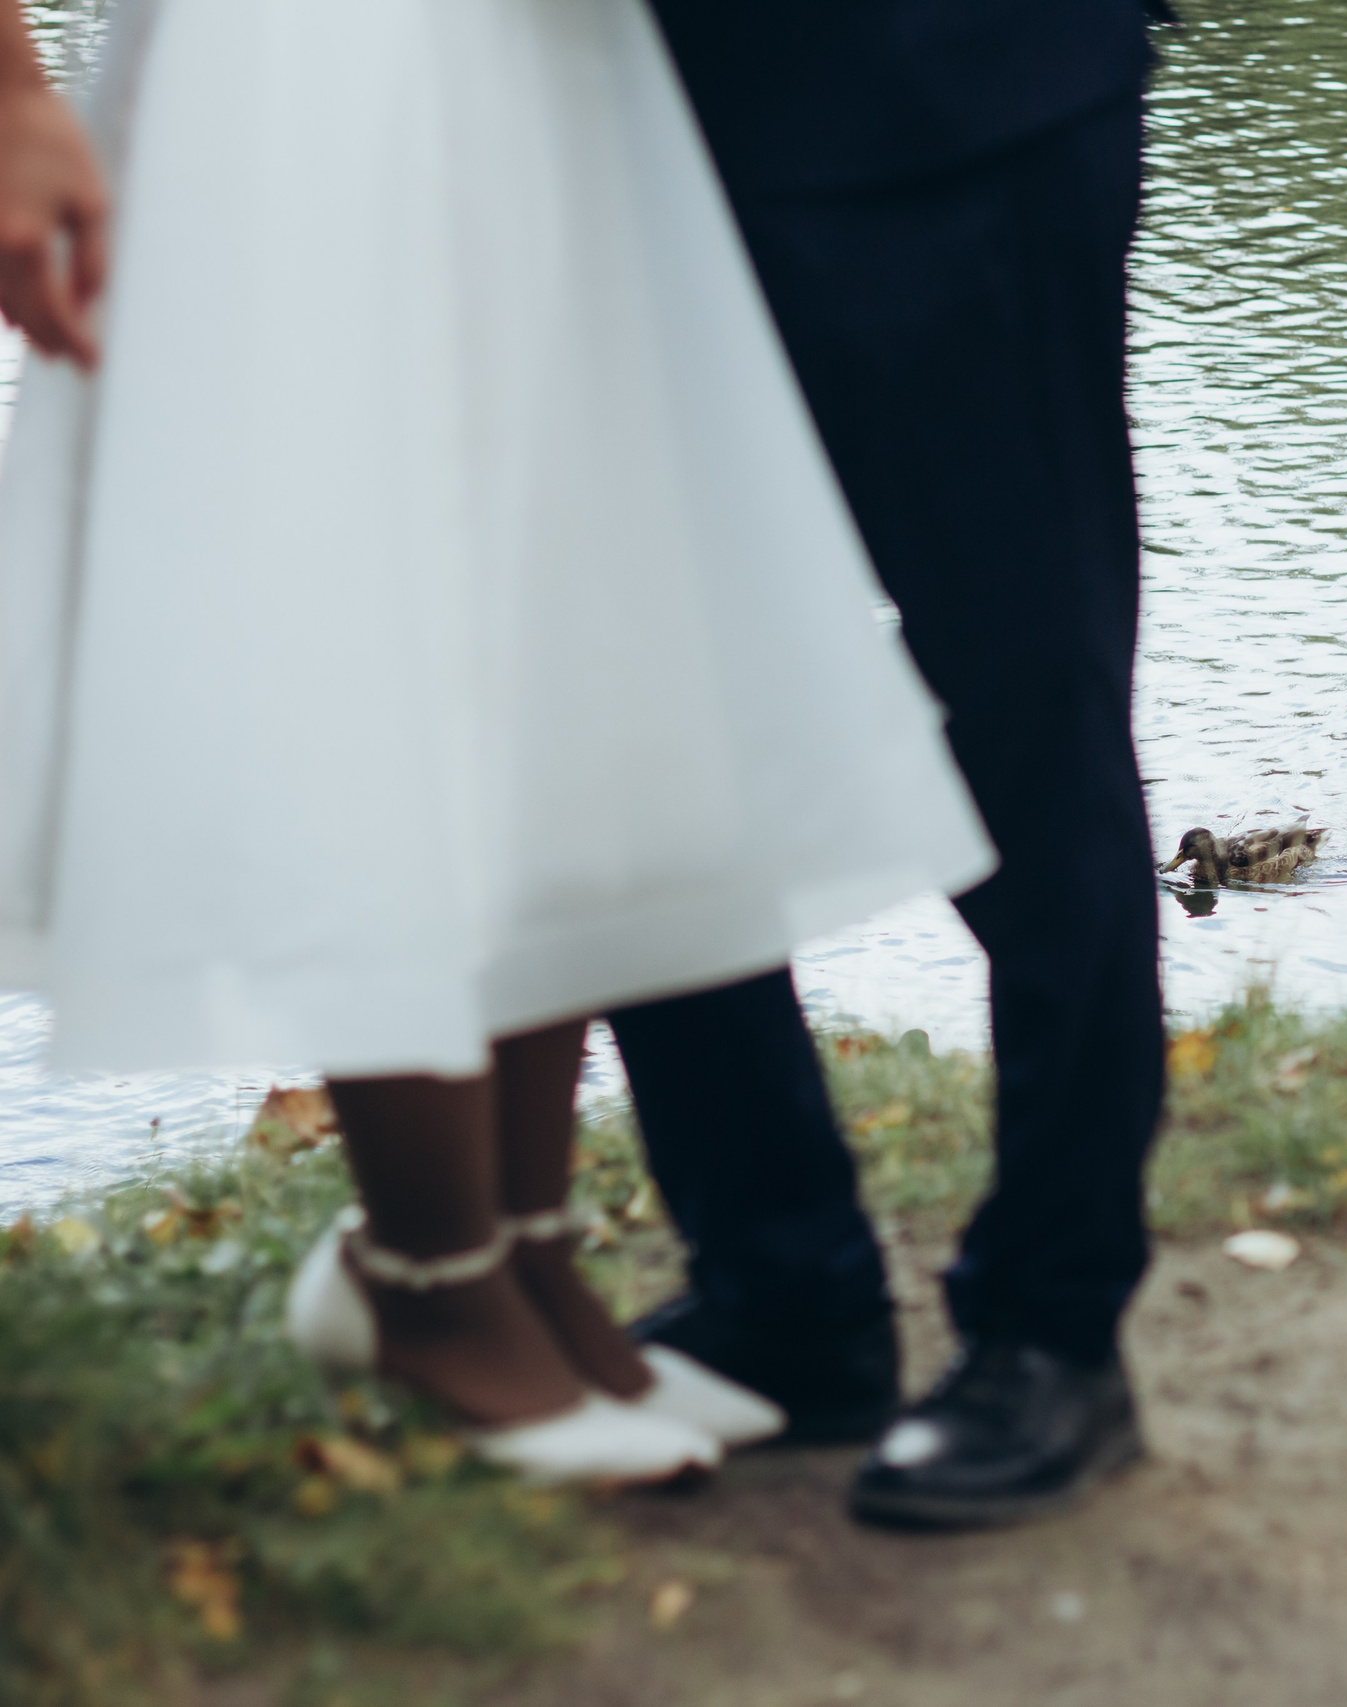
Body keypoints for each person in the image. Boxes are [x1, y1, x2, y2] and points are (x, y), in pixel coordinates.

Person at [0, 0, 992, 1484]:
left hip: (531, 61)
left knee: (546, 610)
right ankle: (426, 1277)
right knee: (354, 600)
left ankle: (528, 1253)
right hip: (290, 69)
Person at [614, 0, 1170, 1528]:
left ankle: (1052, 1322)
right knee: (636, 727)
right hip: (606, 134)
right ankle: (782, 1290)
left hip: (948, 92)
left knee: (1022, 710)